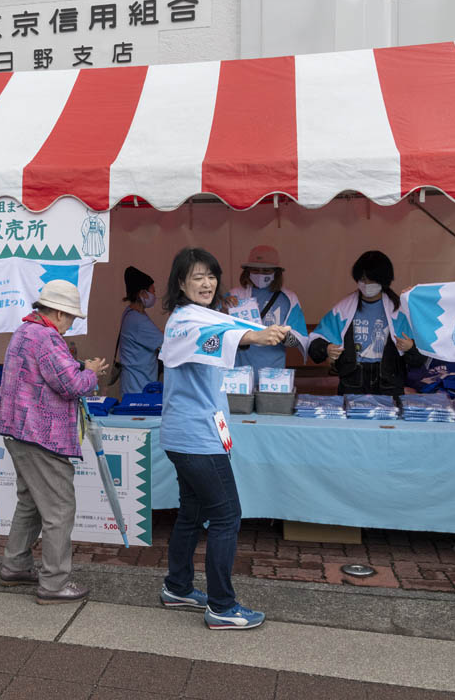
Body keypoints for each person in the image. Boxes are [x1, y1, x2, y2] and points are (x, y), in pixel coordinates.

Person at [158, 247, 288, 630]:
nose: (206, 283)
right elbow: (219, 333)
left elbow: (219, 333)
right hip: (196, 437)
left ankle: (178, 587)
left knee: (192, 514)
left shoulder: (202, 318)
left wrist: (247, 331)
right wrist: (259, 335)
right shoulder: (186, 321)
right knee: (227, 516)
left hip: (191, 434)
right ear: (180, 283)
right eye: (197, 276)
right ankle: (222, 606)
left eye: (211, 275)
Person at [0, 280, 107, 604]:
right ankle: (54, 583)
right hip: (41, 435)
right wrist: (92, 371)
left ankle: (15, 565)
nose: (72, 324)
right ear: (58, 312)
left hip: (17, 431)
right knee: (59, 508)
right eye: (71, 317)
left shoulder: (23, 332)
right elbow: (71, 385)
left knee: (30, 501)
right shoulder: (47, 338)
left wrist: (80, 369)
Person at [308, 250, 425, 395]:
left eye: (373, 279)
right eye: (363, 279)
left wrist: (411, 347)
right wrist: (326, 348)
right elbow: (314, 341)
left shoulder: (400, 311)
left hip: (389, 384)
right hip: (352, 383)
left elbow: (421, 356)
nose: (367, 284)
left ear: (384, 280)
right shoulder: (343, 309)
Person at [228, 245, 308, 371]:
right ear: (247, 271)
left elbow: (298, 339)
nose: (260, 274)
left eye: (266, 271)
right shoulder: (233, 295)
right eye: (255, 270)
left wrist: (284, 336)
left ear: (276, 273)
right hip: (239, 369)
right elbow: (218, 330)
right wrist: (223, 306)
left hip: (273, 371)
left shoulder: (288, 298)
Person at [116, 266, 163, 395]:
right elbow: (163, 341)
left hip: (136, 381)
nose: (154, 295)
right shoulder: (137, 320)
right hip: (138, 385)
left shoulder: (132, 313)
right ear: (142, 293)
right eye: (153, 291)